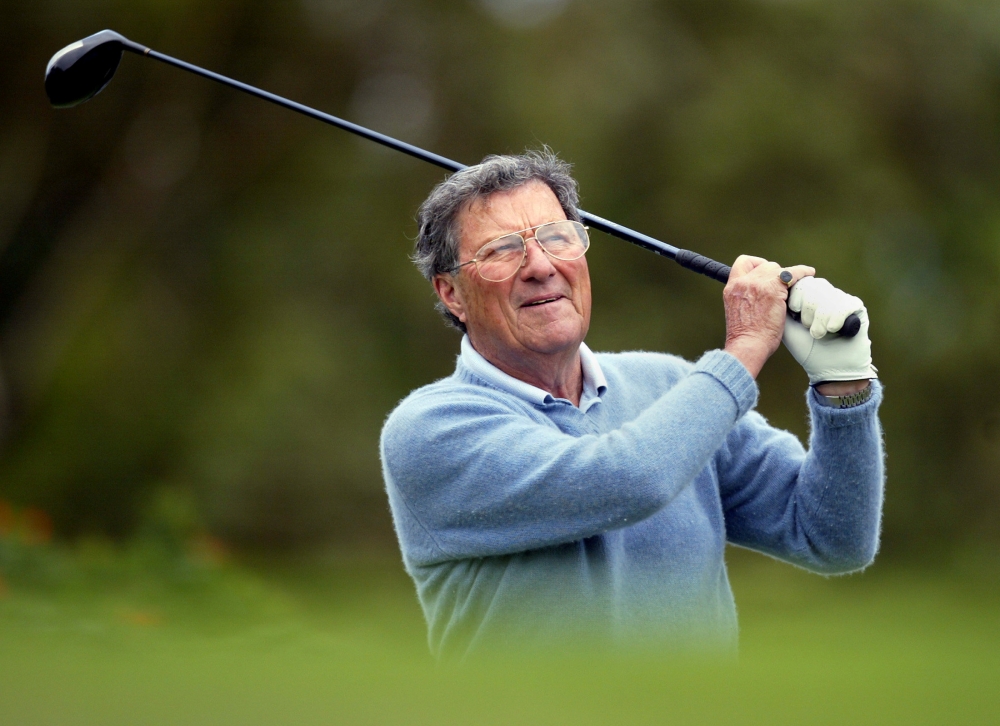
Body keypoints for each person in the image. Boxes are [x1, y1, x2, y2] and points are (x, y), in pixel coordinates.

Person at [380, 150, 883, 659]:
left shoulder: (672, 384)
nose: (540, 265)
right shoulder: (430, 430)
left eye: (557, 236)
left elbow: (832, 538)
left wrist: (844, 385)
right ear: (452, 294)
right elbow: (629, 478)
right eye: (501, 250)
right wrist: (747, 346)